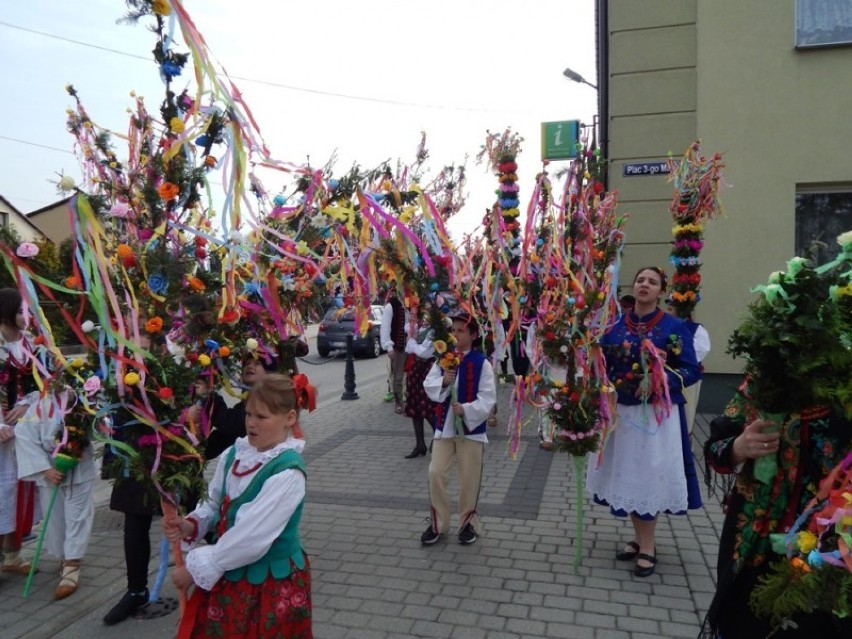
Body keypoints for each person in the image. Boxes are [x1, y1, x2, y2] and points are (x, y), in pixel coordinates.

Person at [163, 374, 314, 638]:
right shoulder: (235, 453)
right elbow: (213, 502)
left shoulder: (288, 473)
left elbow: (251, 537)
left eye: (262, 417)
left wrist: (195, 571)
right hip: (230, 569)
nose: (251, 424)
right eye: (248, 414)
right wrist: (191, 524)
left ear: (290, 418)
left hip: (269, 581)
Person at [699, 385, 852, 638]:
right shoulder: (768, 374)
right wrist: (739, 447)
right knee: (745, 622)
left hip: (832, 541)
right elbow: (715, 448)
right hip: (755, 541)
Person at [586, 267, 702, 577]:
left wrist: (663, 378)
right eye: (640, 280)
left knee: (647, 477)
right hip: (623, 416)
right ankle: (640, 540)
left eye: (652, 282)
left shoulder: (675, 327)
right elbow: (602, 369)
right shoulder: (614, 329)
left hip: (657, 418)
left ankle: (648, 546)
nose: (644, 285)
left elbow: (693, 370)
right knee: (630, 477)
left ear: (661, 291)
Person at [421, 312, 496, 546]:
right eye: (453, 330)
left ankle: (467, 523)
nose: (455, 334)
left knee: (469, 478)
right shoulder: (444, 358)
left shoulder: (481, 362)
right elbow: (429, 384)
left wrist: (466, 410)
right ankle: (438, 523)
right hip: (445, 428)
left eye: (461, 330)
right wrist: (444, 381)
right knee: (436, 472)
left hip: (470, 431)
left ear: (473, 335)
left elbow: (488, 397)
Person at [15, 387, 97, 599]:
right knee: (55, 519)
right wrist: (46, 469)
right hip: (50, 471)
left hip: (79, 468)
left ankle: (73, 563)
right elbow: (23, 436)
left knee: (78, 515)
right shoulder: (39, 404)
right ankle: (64, 556)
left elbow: (100, 430)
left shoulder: (83, 399)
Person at [0, 288, 37, 575]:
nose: (28, 316)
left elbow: (42, 384)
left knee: (17, 491)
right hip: (2, 433)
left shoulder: (30, 344)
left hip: (23, 432)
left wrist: (27, 405)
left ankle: (13, 555)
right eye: (22, 310)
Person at [665, 300, 711, 434]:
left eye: (670, 309)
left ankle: (686, 441)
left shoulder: (695, 328)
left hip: (687, 377)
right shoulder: (664, 326)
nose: (667, 312)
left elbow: (700, 350)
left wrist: (679, 350)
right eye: (667, 309)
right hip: (666, 376)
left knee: (686, 412)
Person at [402, 306, 435, 458]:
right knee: (415, 407)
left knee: (426, 406)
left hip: (426, 371)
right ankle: (419, 444)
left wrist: (412, 344)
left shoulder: (435, 330)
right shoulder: (420, 327)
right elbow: (412, 348)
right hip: (415, 370)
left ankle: (440, 438)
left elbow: (425, 352)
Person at [380, 292, 408, 414]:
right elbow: (385, 328)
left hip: (412, 346)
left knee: (411, 375)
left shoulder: (411, 303)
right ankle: (398, 402)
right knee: (398, 376)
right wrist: (389, 347)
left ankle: (409, 399)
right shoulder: (391, 306)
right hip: (398, 346)